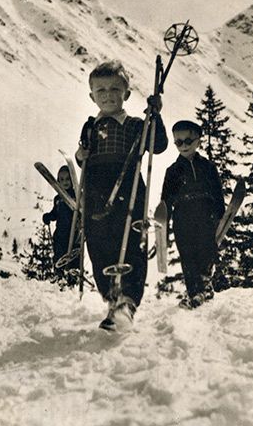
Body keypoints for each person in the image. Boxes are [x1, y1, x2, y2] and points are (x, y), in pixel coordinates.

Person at [75, 60, 168, 329]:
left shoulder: (136, 125)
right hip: (95, 189)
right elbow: (83, 157)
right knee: (99, 243)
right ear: (91, 95)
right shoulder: (89, 127)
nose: (107, 95)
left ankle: (127, 300)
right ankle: (112, 298)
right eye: (100, 89)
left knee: (129, 243)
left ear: (126, 94)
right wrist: (80, 157)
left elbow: (158, 145)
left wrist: (155, 116)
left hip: (128, 187)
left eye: (115, 89)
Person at [161, 120, 225, 309]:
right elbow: (166, 200)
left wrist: (221, 215)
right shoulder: (172, 171)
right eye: (178, 142)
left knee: (206, 250)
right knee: (187, 254)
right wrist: (163, 224)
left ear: (198, 142)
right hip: (183, 217)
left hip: (205, 214)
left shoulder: (208, 167)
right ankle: (194, 292)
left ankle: (205, 285)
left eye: (188, 141)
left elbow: (217, 193)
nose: (184, 146)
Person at [42, 165, 79, 287]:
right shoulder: (58, 199)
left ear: (73, 180)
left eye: (68, 179)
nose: (65, 182)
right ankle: (60, 277)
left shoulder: (77, 196)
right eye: (61, 180)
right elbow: (55, 214)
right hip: (60, 233)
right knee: (59, 255)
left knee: (74, 257)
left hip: (74, 232)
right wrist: (48, 216)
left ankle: (73, 279)